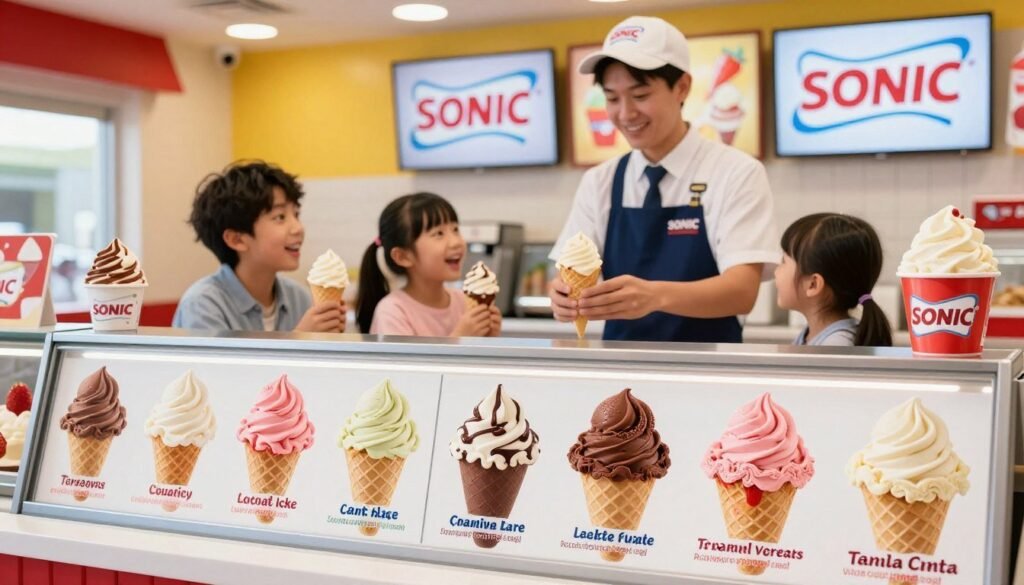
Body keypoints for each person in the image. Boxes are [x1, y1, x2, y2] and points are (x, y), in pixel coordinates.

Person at [549, 16, 779, 343]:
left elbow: (742, 291)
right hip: (618, 367)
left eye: (640, 95)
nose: (625, 114)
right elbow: (566, 271)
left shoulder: (736, 172)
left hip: (710, 366)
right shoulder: (599, 181)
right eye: (612, 98)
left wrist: (654, 296)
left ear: (682, 87)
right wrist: (561, 294)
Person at [173, 161, 345, 332]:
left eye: (296, 214)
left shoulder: (299, 297)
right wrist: (300, 337)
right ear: (237, 240)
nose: (298, 228)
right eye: (280, 217)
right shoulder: (202, 305)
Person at [356, 192, 501, 337]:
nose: (456, 242)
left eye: (455, 229)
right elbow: (402, 355)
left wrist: (488, 338)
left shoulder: (463, 301)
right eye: (439, 233)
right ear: (403, 256)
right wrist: (460, 337)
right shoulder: (393, 311)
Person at [776, 213, 892, 346]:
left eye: (783, 261)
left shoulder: (836, 345)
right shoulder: (811, 335)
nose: (776, 270)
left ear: (813, 284)